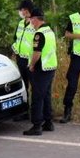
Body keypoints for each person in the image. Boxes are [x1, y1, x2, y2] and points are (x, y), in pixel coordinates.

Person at [23, 8, 57, 136]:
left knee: (37, 96)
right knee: (46, 95)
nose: (30, 21)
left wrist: (32, 64)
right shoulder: (49, 31)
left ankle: (36, 125)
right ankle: (48, 122)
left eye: (31, 19)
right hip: (50, 66)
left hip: (41, 68)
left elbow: (37, 52)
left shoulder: (39, 34)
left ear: (36, 19)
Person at [11, 0, 35, 121]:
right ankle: (24, 111)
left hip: (31, 59)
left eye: (24, 9)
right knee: (24, 86)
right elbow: (16, 38)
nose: (22, 12)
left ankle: (35, 111)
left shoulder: (35, 23)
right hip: (20, 58)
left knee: (35, 86)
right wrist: (15, 50)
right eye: (21, 10)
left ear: (29, 10)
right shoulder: (21, 23)